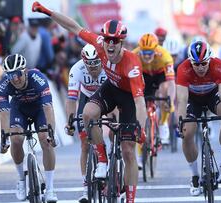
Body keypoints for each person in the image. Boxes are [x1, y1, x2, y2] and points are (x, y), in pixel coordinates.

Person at [32, 2, 147, 202]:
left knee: (128, 150)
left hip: (129, 97)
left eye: (115, 41)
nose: (110, 45)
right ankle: (101, 158)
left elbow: (140, 103)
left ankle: (130, 198)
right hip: (110, 88)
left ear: (122, 43)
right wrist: (47, 11)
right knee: (87, 113)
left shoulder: (132, 64)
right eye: (108, 40)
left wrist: (141, 128)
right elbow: (72, 26)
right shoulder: (98, 43)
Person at [175, 40, 221, 196]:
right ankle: (195, 175)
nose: (200, 67)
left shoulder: (219, 65)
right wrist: (179, 122)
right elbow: (181, 100)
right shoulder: (183, 69)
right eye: (196, 64)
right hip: (192, 100)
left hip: (212, 97)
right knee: (187, 133)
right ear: (190, 61)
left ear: (210, 59)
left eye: (203, 63)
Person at [0, 54, 58, 202]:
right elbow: (4, 112)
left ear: (25, 71)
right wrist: (4, 138)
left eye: (17, 74)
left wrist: (52, 133)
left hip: (39, 109)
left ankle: (50, 188)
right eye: (10, 75)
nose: (15, 79)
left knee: (45, 140)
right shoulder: (4, 84)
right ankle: (21, 180)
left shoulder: (38, 78)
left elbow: (48, 107)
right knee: (16, 139)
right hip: (19, 109)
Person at [64, 44, 107, 202]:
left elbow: (118, 95)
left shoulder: (108, 66)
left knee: (117, 127)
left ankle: (114, 165)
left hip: (107, 96)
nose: (94, 69)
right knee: (84, 143)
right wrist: (70, 122)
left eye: (96, 64)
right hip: (87, 97)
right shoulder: (76, 69)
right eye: (90, 66)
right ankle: (86, 187)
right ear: (84, 62)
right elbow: (71, 99)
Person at [132, 33, 175, 144]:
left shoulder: (165, 55)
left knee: (164, 90)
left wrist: (170, 99)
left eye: (149, 52)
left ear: (155, 50)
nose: (146, 56)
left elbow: (171, 83)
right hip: (144, 75)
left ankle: (163, 122)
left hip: (159, 74)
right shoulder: (133, 55)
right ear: (139, 50)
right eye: (144, 52)